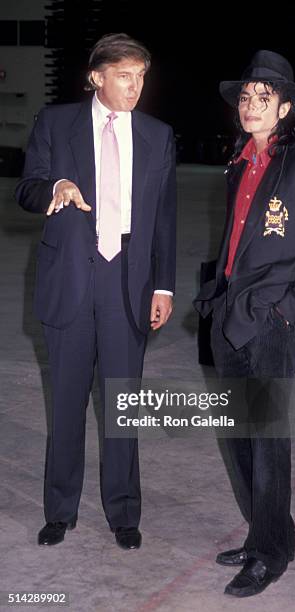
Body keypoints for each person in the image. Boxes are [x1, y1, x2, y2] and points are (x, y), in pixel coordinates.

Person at [16, 33, 176, 550]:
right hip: (70, 279)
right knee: (65, 404)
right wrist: (54, 189)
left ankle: (124, 512)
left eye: (142, 77)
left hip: (128, 279)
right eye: (125, 76)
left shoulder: (158, 134)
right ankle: (59, 510)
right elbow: (27, 187)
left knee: (121, 404)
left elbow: (167, 219)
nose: (136, 87)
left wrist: (165, 286)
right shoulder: (56, 123)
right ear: (97, 77)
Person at [194, 50, 295, 597]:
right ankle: (265, 532)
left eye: (263, 98)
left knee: (267, 439)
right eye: (245, 97)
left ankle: (271, 554)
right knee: (238, 437)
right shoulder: (238, 163)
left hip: (272, 321)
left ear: (284, 108)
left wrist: (286, 312)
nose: (250, 105)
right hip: (228, 316)